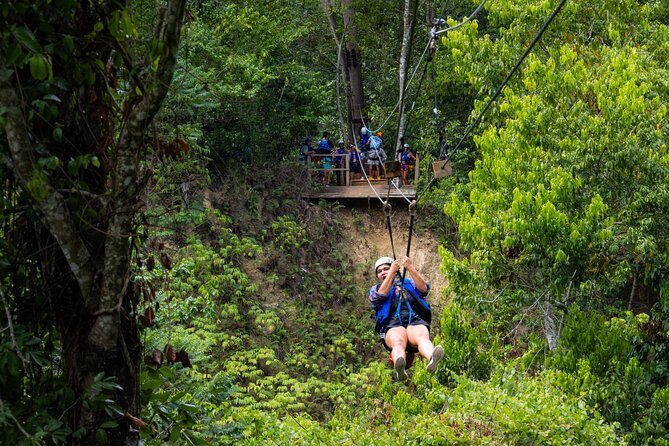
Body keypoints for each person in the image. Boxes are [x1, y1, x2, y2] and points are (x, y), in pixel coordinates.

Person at [369, 256, 444, 381]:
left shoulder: (408, 283)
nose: (383, 272)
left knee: (422, 337)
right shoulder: (375, 290)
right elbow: (380, 296)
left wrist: (410, 268)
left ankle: (432, 357)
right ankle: (400, 364)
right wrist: (391, 272)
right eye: (379, 271)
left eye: (386, 269)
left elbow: (424, 289)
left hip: (413, 318)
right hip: (392, 323)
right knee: (398, 341)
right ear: (377, 276)